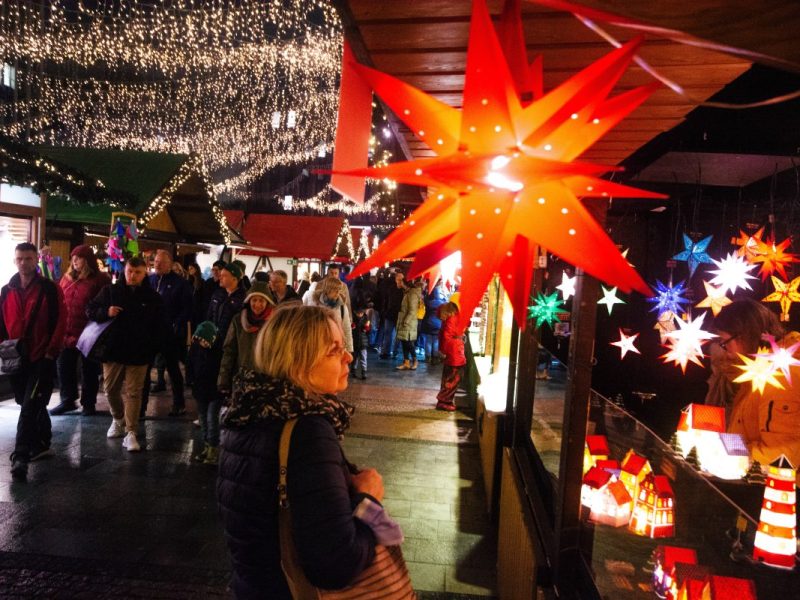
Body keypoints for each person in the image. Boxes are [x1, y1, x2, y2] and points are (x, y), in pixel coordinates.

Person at [217, 305, 394, 598]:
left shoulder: (246, 414)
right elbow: (336, 563)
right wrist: (369, 499)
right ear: (298, 363)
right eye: (333, 350)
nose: (348, 356)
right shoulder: (308, 431)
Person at [707, 299, 800, 469]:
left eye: (725, 343)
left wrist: (732, 457)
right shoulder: (761, 369)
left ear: (743, 336)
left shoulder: (783, 375)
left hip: (780, 489)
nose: (726, 353)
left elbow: (782, 453)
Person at [1, 243, 67, 481]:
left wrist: (52, 351)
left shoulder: (49, 289)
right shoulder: (6, 290)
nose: (23, 263)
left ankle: (20, 457)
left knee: (29, 406)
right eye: (19, 258)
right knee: (25, 401)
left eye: (28, 258)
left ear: (36, 260)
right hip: (16, 358)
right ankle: (42, 441)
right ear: (14, 260)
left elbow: (61, 319)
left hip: (41, 356)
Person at [87, 257, 163, 452]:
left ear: (145, 272)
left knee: (133, 392)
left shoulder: (152, 297)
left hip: (139, 351)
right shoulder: (110, 292)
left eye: (138, 272)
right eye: (130, 271)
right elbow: (90, 310)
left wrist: (153, 348)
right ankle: (118, 418)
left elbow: (160, 326)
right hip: (113, 350)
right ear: (124, 270)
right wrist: (106, 311)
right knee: (110, 388)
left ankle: (131, 431)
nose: (133, 276)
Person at [50, 245, 111, 416]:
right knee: (64, 366)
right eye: (73, 257)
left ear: (88, 260)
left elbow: (102, 304)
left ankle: (88, 403)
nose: (74, 261)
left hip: (89, 333)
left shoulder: (100, 280)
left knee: (89, 369)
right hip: (66, 331)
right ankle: (67, 400)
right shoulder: (67, 278)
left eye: (79, 257)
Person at [143, 249, 192, 417]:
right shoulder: (148, 281)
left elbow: (187, 309)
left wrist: (176, 325)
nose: (157, 265)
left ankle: (179, 403)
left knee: (173, 368)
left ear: (170, 265)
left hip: (169, 333)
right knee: (145, 368)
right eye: (155, 262)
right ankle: (141, 406)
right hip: (149, 332)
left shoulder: (180, 283)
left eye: (161, 262)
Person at [218, 281, 275, 398]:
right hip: (242, 378)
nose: (257, 304)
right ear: (249, 301)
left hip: (267, 379)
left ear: (267, 302)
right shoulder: (238, 320)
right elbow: (229, 351)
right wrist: (223, 379)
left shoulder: (274, 323)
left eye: (261, 300)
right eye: (254, 300)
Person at [188, 321, 222, 465]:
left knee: (211, 419)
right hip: (200, 390)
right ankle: (207, 445)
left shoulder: (218, 352)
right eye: (200, 340)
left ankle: (213, 448)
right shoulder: (195, 349)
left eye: (205, 341)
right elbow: (189, 365)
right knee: (203, 419)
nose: (202, 343)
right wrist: (190, 381)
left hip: (214, 392)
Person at [310, 277, 353, 353]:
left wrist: (349, 349)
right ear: (328, 290)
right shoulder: (315, 305)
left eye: (339, 290)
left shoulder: (342, 307)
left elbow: (347, 329)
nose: (337, 293)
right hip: (319, 346)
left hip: (337, 346)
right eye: (335, 290)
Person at [436, 302, 466, 412]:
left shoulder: (449, 318)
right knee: (452, 379)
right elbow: (447, 336)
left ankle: (444, 400)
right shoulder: (453, 318)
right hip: (454, 354)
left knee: (449, 378)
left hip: (452, 353)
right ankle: (444, 401)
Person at [395, 275, 423, 371]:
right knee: (404, 341)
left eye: (398, 281)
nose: (397, 283)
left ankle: (415, 360)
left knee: (408, 342)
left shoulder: (412, 294)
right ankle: (406, 362)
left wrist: (405, 321)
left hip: (408, 322)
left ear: (403, 282)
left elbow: (412, 310)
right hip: (404, 320)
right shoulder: (406, 292)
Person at [420, 279, 447, 364]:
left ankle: (427, 357)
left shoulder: (427, 301)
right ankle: (435, 357)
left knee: (428, 340)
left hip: (428, 323)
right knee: (436, 341)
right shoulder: (441, 302)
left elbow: (424, 297)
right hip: (438, 324)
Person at [379, 270, 404, 360]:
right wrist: (384, 311)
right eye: (398, 279)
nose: (400, 281)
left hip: (400, 316)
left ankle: (395, 352)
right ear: (396, 279)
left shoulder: (405, 291)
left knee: (398, 336)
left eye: (401, 280)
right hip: (389, 314)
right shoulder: (391, 289)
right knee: (388, 334)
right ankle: (386, 352)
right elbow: (385, 300)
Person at [351, 304, 370, 380]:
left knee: (363, 358)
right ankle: (353, 370)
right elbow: (351, 330)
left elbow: (367, 331)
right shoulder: (353, 320)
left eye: (361, 313)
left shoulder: (366, 320)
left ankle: (364, 371)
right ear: (355, 313)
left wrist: (367, 328)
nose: (359, 315)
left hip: (363, 342)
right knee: (354, 358)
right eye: (358, 313)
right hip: (355, 342)